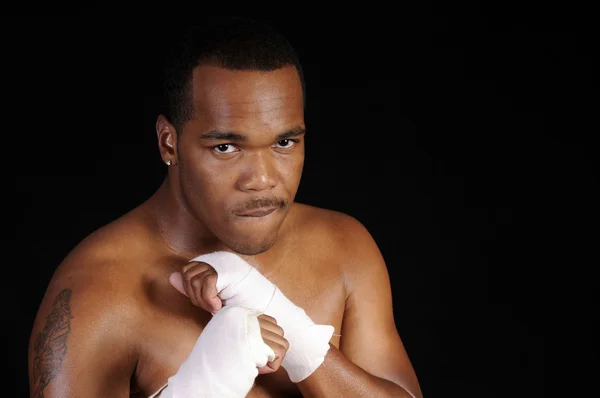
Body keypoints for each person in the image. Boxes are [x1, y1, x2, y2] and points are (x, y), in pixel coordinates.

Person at [28, 16, 423, 398]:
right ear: (169, 142)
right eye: (226, 147)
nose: (262, 179)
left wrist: (298, 338)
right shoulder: (98, 292)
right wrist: (201, 388)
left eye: (284, 143)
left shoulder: (343, 247)